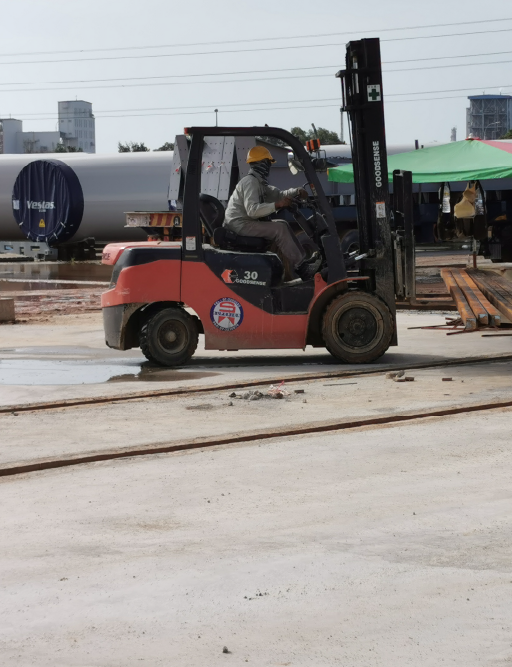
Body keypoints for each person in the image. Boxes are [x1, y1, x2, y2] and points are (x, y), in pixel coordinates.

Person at [223, 146, 322, 281]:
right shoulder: (250, 182)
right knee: (279, 229)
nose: (269, 166)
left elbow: (279, 195)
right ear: (262, 163)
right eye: (268, 163)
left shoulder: (259, 183)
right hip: (239, 224)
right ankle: (301, 268)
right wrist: (278, 205)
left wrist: (297, 191)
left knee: (283, 224)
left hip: (244, 222)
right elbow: (252, 210)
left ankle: (303, 261)